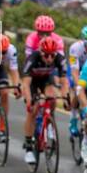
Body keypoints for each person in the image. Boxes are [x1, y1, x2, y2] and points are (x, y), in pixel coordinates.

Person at [20, 35, 68, 165]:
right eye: (46, 55)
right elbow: (25, 84)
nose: (49, 58)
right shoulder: (33, 58)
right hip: (32, 82)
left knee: (52, 97)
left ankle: (49, 121)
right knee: (33, 110)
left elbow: (64, 82)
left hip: (46, 79)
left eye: (52, 55)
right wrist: (29, 100)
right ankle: (29, 146)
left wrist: (65, 98)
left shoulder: (59, 58)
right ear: (40, 53)